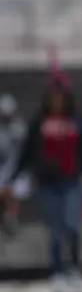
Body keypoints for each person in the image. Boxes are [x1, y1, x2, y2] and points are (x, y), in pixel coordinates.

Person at [5, 77, 82, 292]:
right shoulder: (38, 123)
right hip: (48, 182)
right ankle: (58, 272)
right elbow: (26, 153)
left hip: (71, 180)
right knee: (55, 230)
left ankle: (74, 266)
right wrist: (13, 178)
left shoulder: (78, 121)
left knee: (72, 225)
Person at [0, 94, 30, 233]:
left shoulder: (20, 128)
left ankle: (10, 218)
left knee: (13, 190)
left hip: (18, 168)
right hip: (3, 167)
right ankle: (8, 217)